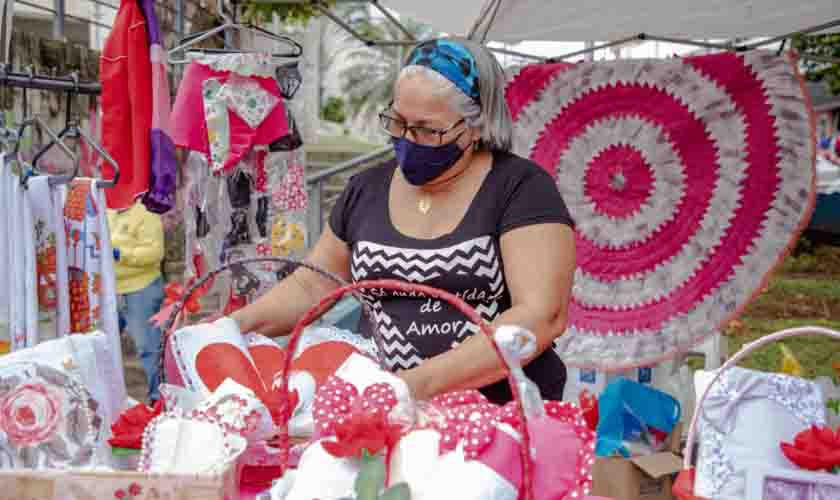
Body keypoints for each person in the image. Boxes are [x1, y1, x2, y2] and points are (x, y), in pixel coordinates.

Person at [232, 37, 576, 404]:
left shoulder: (520, 189)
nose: (408, 140)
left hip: (500, 422)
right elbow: (312, 286)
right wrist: (234, 326)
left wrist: (412, 386)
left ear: (476, 126)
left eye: (428, 130)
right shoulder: (366, 189)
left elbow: (541, 316)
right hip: (381, 415)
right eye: (397, 122)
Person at [108, 200, 165, 403]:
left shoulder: (146, 211)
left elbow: (155, 252)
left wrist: (122, 255)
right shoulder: (105, 210)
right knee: (102, 345)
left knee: (147, 346)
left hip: (141, 287)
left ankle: (158, 399)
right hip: (110, 289)